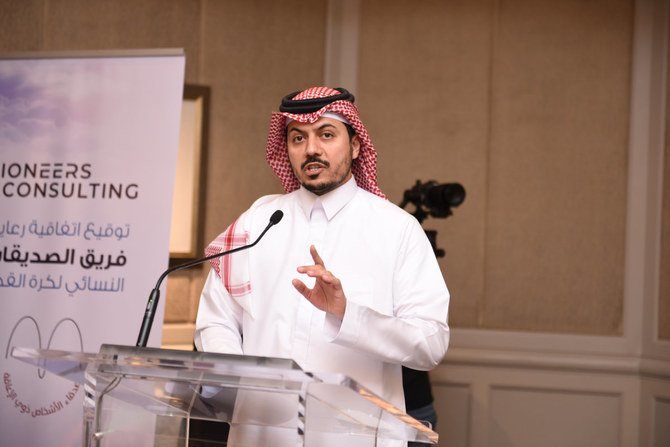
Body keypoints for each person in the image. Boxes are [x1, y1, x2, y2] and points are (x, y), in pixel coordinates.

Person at [194, 86, 450, 445]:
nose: (311, 149)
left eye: (326, 134)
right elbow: (217, 318)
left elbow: (431, 343)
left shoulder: (396, 230)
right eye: (298, 138)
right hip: (262, 435)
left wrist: (349, 314)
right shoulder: (258, 221)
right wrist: (236, 375)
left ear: (356, 145)